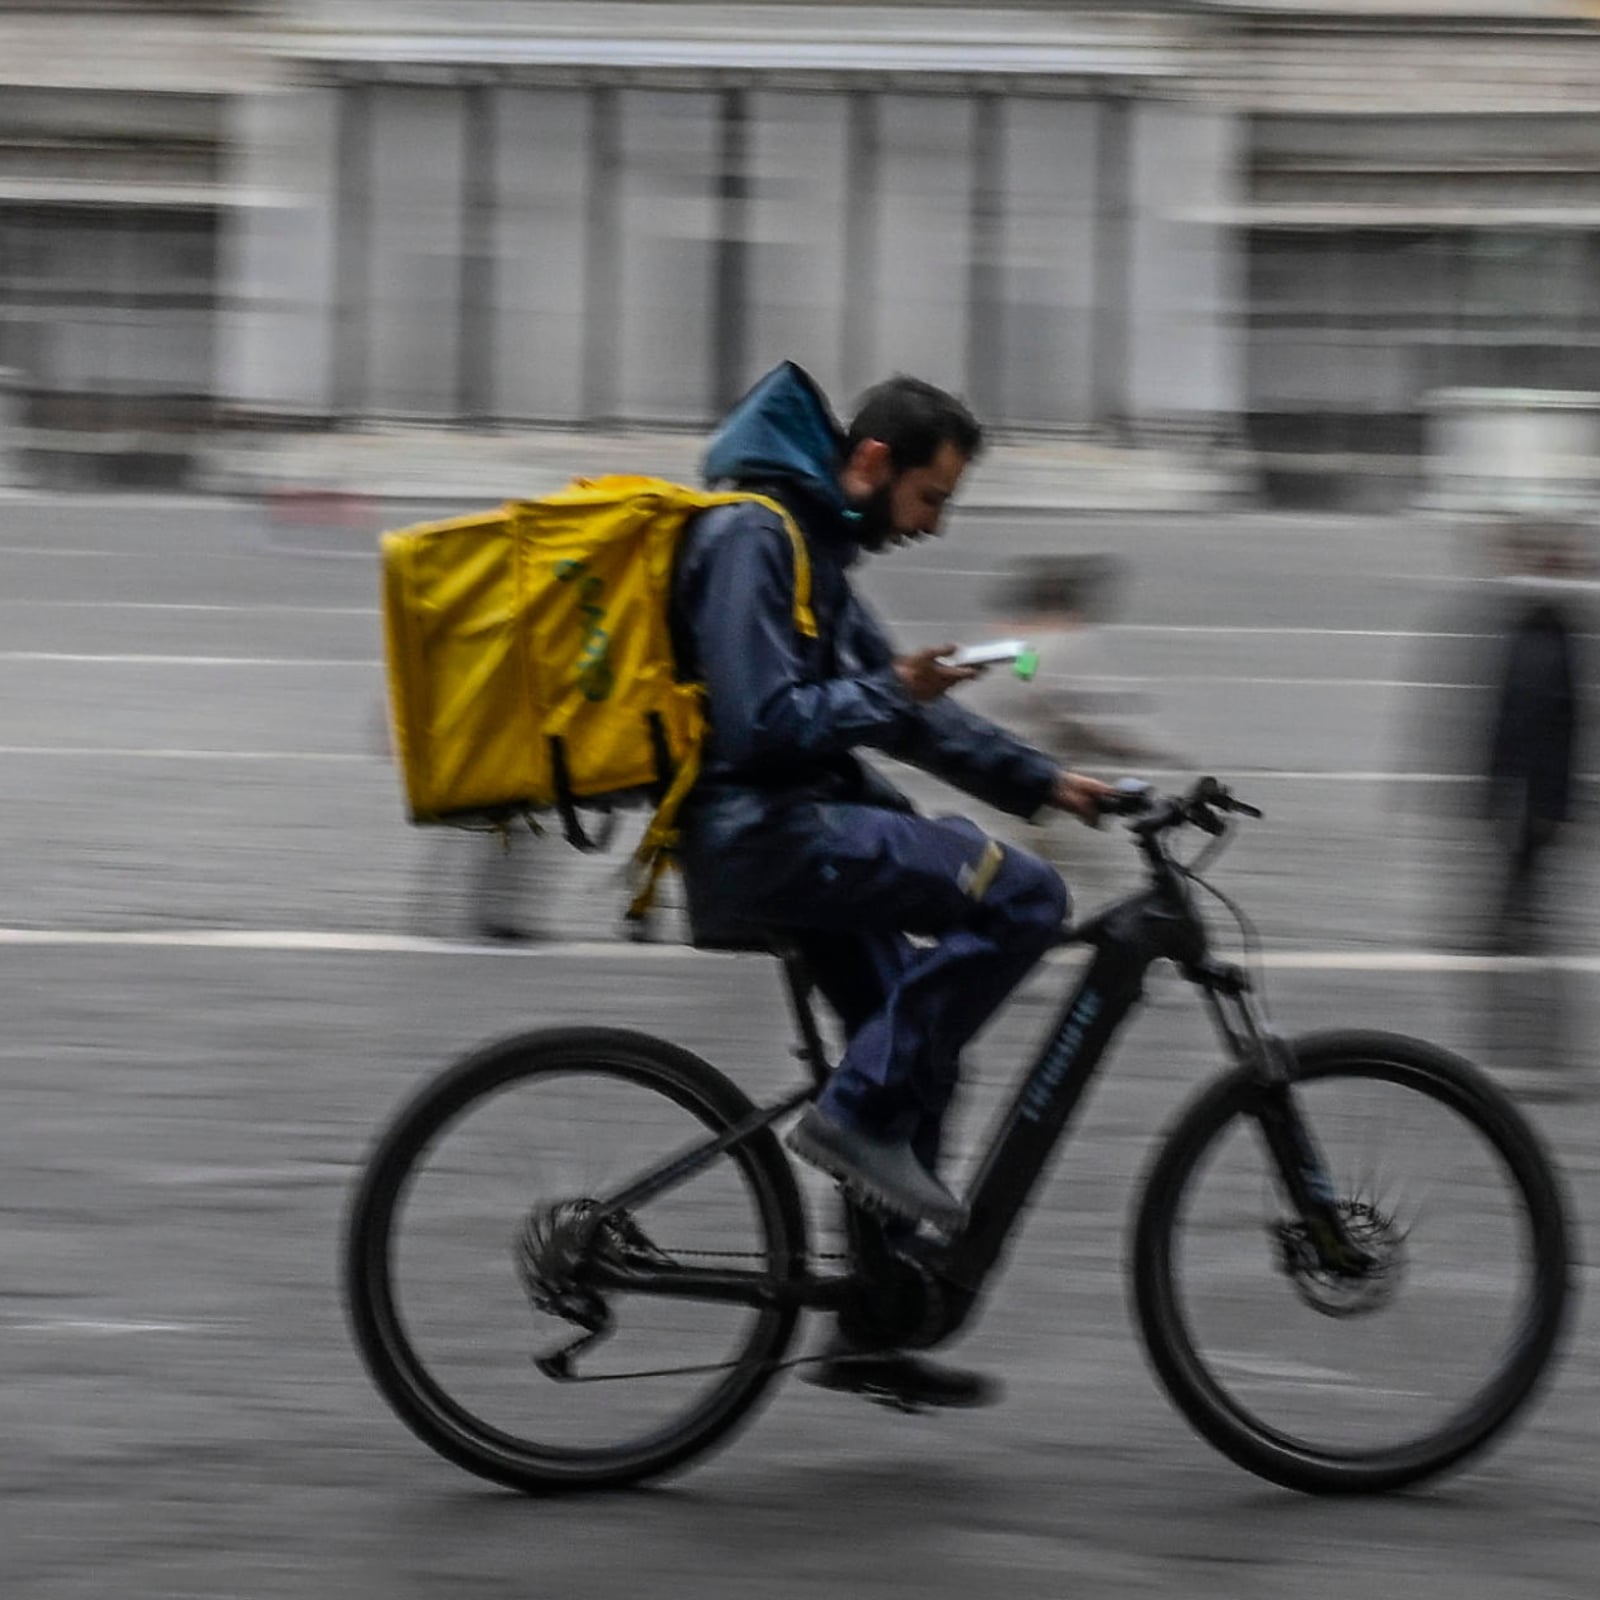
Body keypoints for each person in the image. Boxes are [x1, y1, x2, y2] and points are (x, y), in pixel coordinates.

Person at [670, 362, 1112, 1407]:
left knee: (921, 1057)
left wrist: (1049, 780)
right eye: (929, 498)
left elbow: (911, 721)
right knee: (1027, 898)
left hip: (798, 831)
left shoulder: (812, 547)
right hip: (766, 835)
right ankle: (856, 1115)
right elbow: (760, 723)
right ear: (872, 462)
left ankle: (870, 1327)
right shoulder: (751, 535)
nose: (932, 524)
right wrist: (887, 685)